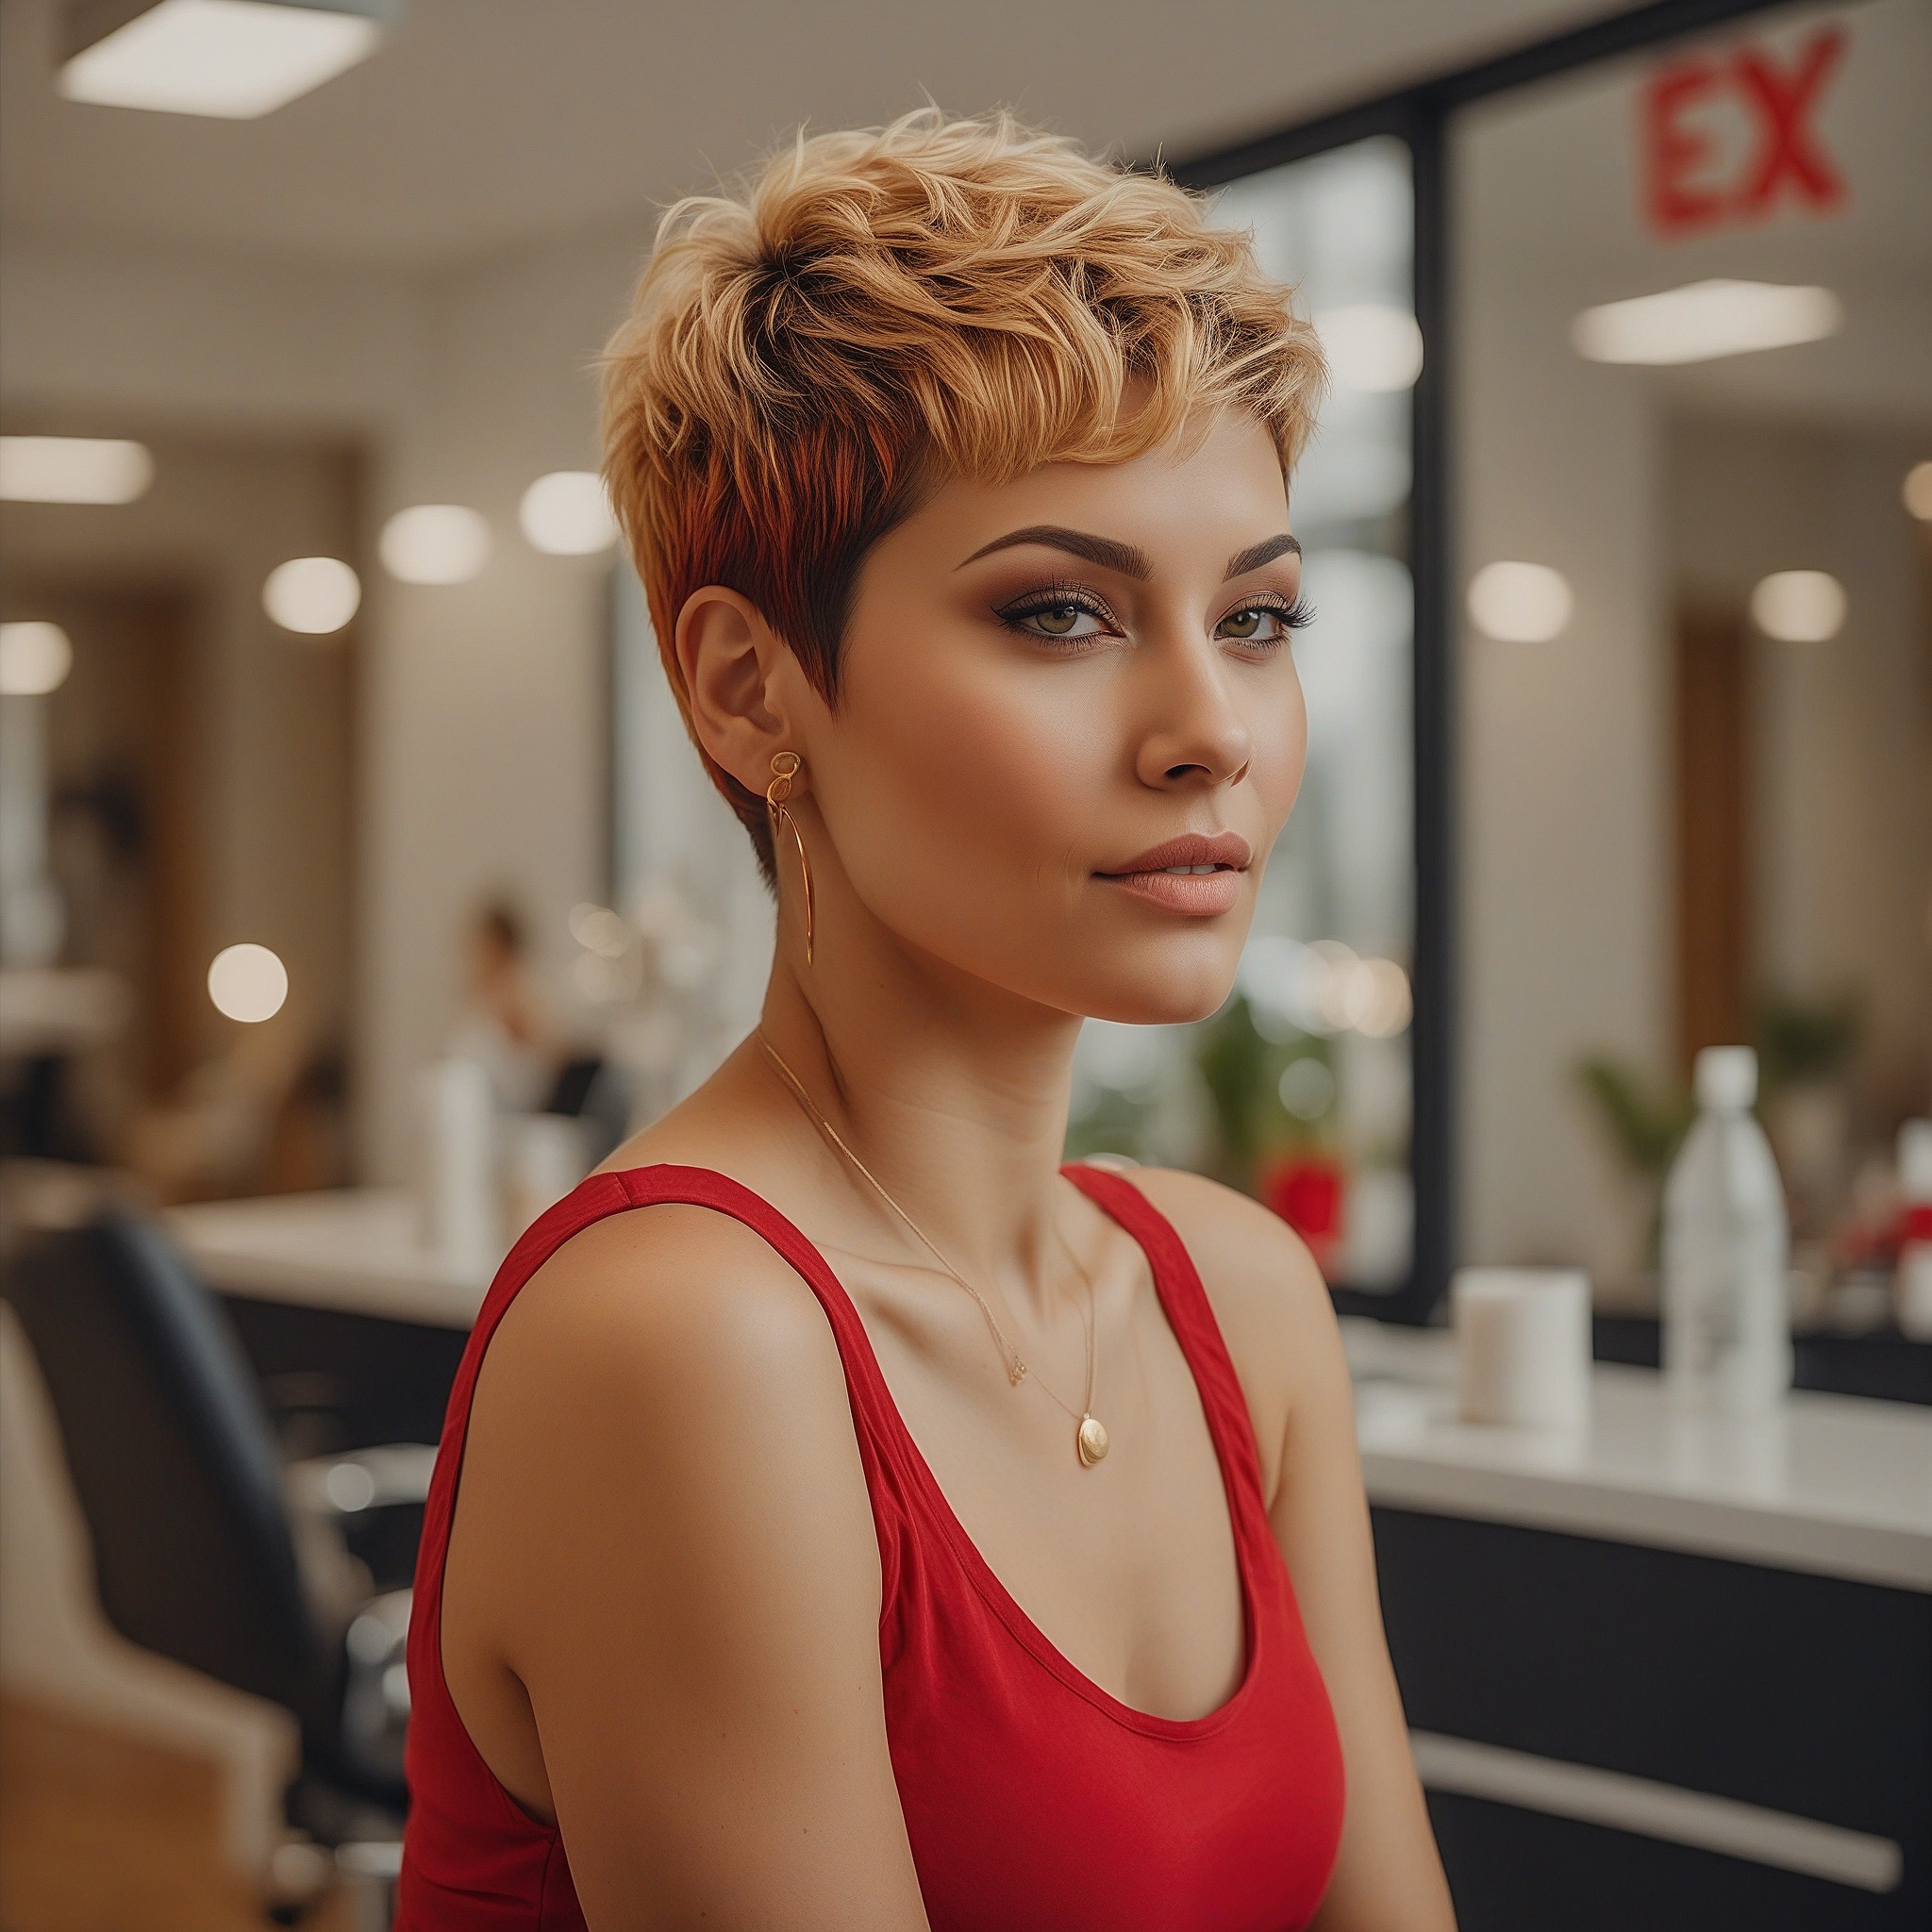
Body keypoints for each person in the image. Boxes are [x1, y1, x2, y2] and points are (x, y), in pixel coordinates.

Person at [399, 110, 1456, 1931]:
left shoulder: (1239, 1298)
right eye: (1061, 611)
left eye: (1262, 616)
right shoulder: (688, 1342)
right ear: (750, 692)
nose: (1209, 725)